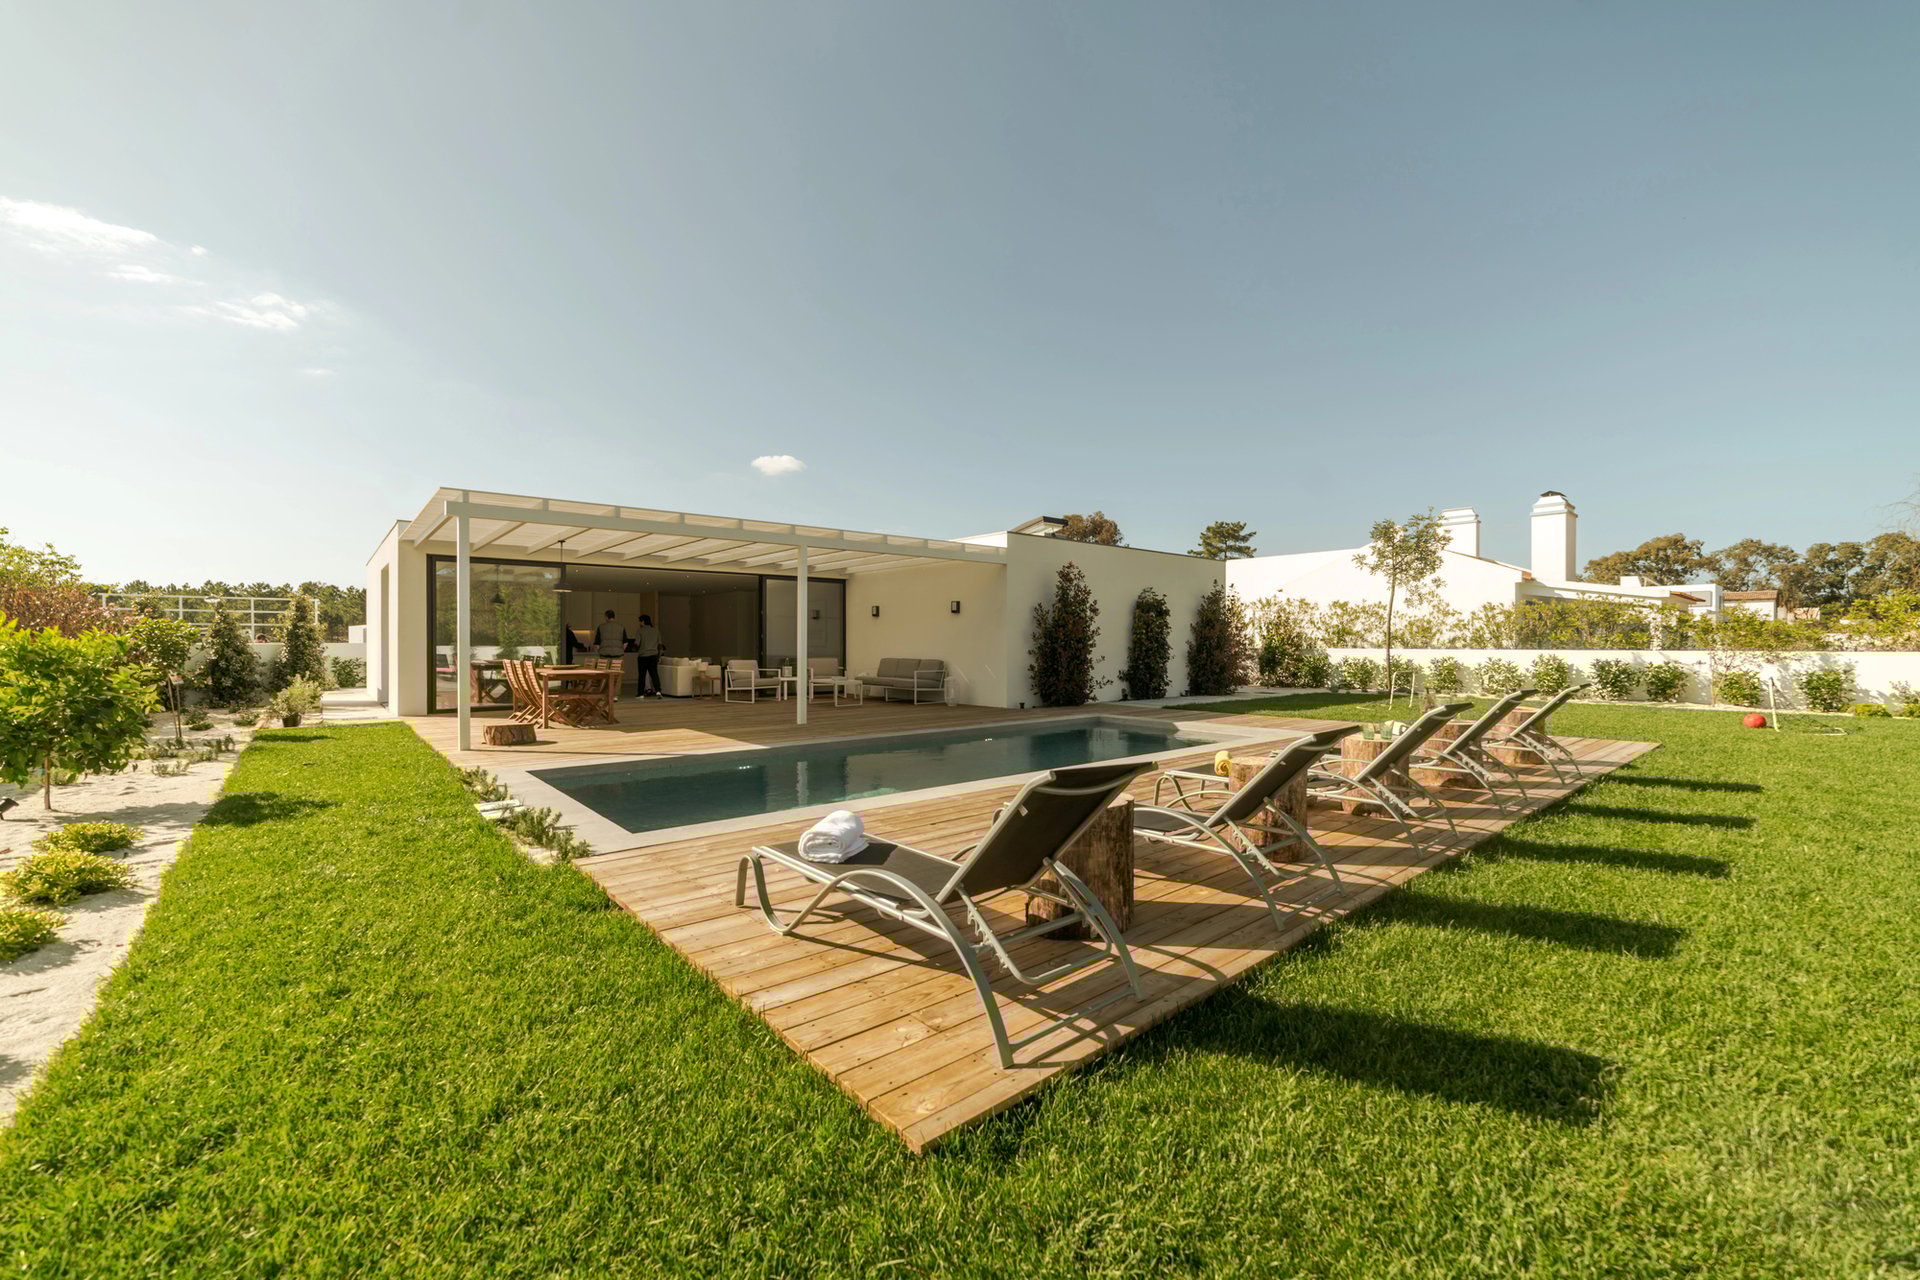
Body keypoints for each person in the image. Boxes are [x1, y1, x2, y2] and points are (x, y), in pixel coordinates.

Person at [633, 613, 664, 696]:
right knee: (654, 674)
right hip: (654, 656)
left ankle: (640, 693)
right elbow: (660, 645)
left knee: (642, 675)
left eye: (640, 621)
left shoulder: (640, 631)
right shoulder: (656, 631)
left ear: (643, 621)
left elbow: (637, 644)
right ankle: (658, 691)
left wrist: (635, 649)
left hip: (643, 656)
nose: (639, 623)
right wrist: (659, 655)